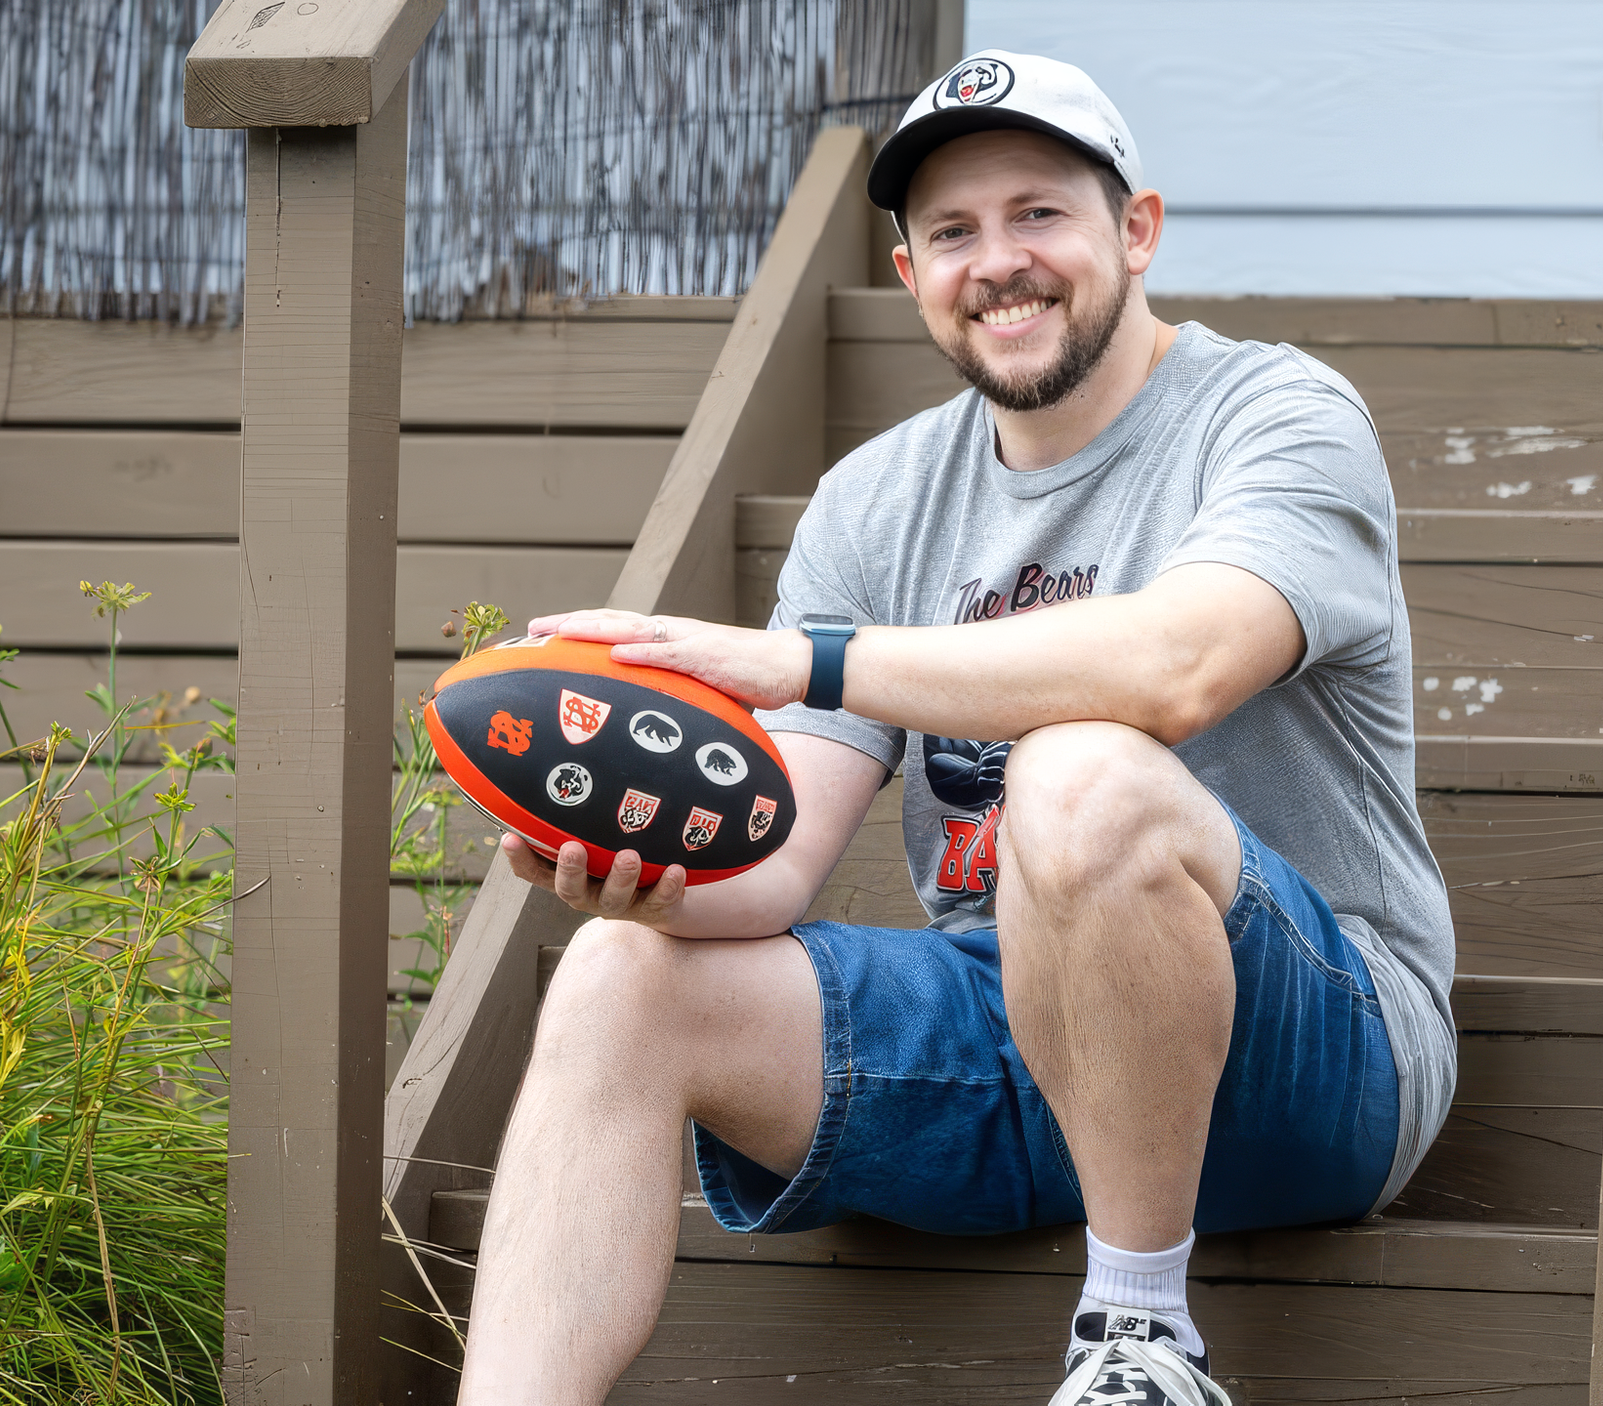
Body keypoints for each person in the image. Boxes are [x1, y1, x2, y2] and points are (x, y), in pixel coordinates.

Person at [456, 50, 1457, 1406]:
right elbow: (773, 862)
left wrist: (804, 657)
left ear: (1137, 230)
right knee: (618, 975)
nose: (1001, 262)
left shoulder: (1276, 416)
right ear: (909, 271)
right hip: (1012, 1035)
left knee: (1084, 771)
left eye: (1040, 212)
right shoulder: (874, 501)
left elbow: (1178, 668)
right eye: (953, 232)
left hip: (1315, 1050)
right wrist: (642, 868)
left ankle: (1139, 1341)